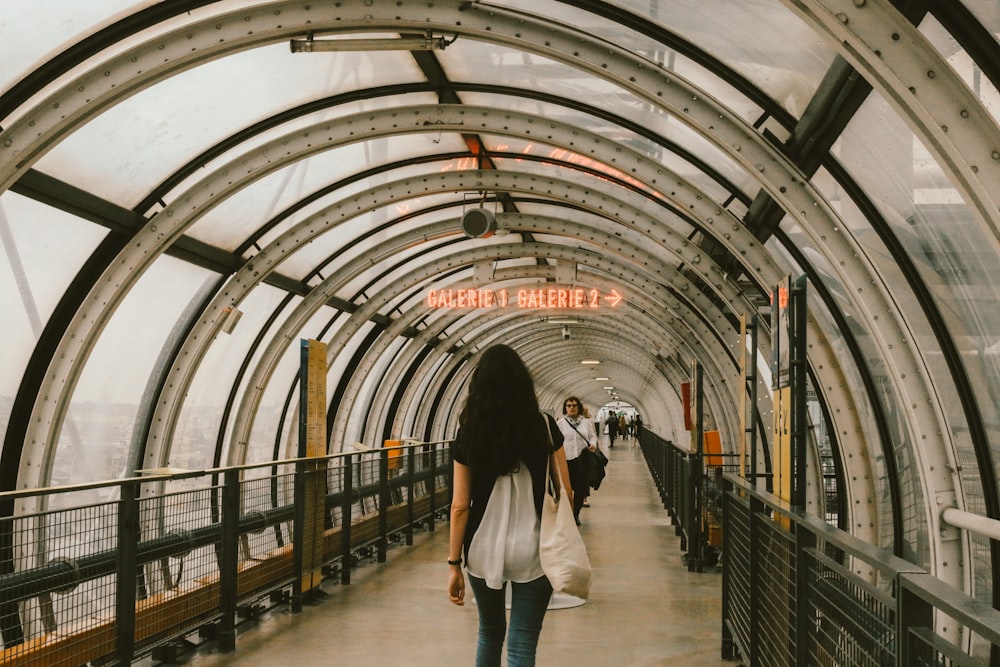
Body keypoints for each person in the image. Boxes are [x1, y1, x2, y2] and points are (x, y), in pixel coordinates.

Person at [447, 344, 572, 667]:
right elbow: (566, 491)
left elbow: (460, 506)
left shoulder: (469, 432)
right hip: (535, 546)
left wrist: (453, 564)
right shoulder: (544, 425)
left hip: (482, 548)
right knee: (522, 644)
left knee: (489, 632)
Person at [556, 397, 598, 524]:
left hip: (583, 460)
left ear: (578, 407)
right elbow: (556, 441)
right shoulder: (561, 423)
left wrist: (593, 444)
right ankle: (567, 513)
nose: (571, 408)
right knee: (566, 489)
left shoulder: (586, 423)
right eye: (568, 405)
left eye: (574, 405)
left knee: (580, 489)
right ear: (565, 408)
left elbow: (592, 436)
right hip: (566, 460)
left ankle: (575, 514)